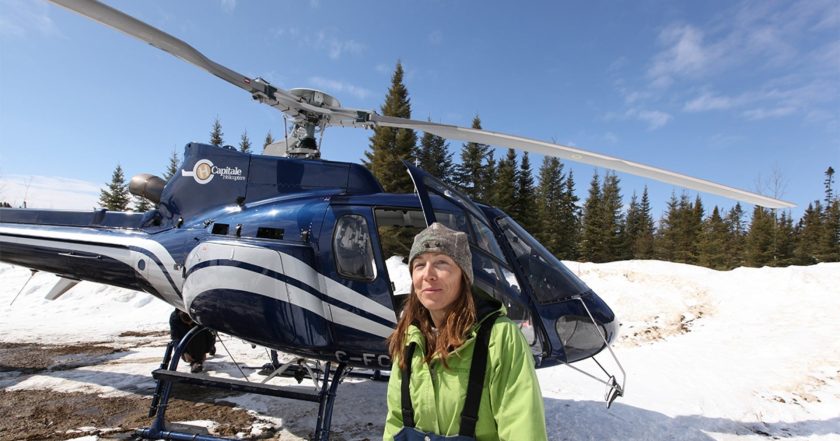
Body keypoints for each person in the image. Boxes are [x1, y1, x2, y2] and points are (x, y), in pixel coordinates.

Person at [384, 223, 547, 441]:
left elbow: (524, 429)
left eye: (441, 263)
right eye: (419, 265)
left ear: (464, 275)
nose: (428, 274)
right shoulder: (409, 338)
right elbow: (395, 423)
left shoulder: (499, 337)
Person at [168, 309, 216, 373]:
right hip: (184, 334)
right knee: (186, 355)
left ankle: (206, 353)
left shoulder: (201, 315)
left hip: (200, 334)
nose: (189, 325)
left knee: (200, 338)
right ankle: (195, 361)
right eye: (187, 323)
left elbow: (210, 335)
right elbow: (175, 337)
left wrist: (206, 350)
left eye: (191, 323)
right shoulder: (174, 318)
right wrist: (183, 352)